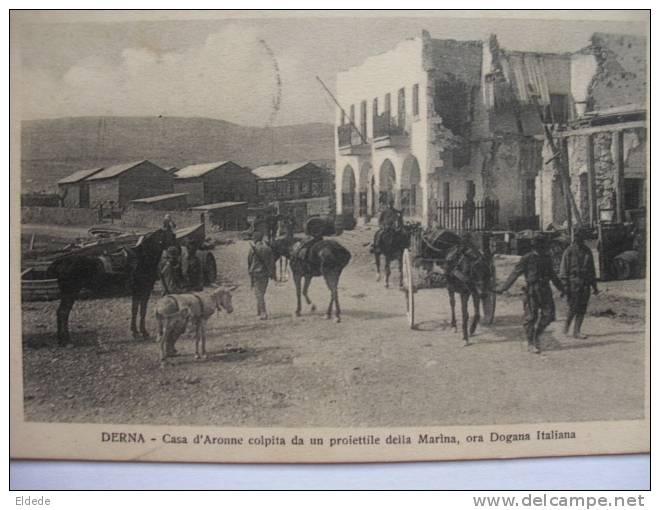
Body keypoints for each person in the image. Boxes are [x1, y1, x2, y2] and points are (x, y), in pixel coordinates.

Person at [496, 234, 565, 353]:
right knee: (531, 318)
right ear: (535, 246)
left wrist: (562, 289)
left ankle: (537, 334)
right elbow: (515, 273)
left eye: (544, 245)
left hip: (545, 290)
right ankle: (530, 343)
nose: (543, 247)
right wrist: (504, 288)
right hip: (532, 290)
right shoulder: (527, 258)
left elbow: (553, 276)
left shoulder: (547, 258)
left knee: (549, 316)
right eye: (540, 245)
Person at [559, 228, 598, 339]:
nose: (579, 240)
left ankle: (577, 331)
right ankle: (566, 328)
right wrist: (564, 287)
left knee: (582, 308)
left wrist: (594, 286)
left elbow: (591, 271)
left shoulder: (587, 251)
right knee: (573, 308)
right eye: (577, 238)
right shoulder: (569, 251)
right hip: (573, 285)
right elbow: (563, 271)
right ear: (574, 239)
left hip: (585, 284)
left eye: (581, 239)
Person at [248, 230, 276, 320]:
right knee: (261, 292)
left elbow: (249, 262)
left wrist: (250, 271)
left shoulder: (252, 249)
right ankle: (259, 311)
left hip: (256, 273)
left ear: (255, 239)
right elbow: (272, 262)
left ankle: (263, 312)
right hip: (265, 274)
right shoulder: (267, 248)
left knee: (258, 293)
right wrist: (273, 273)